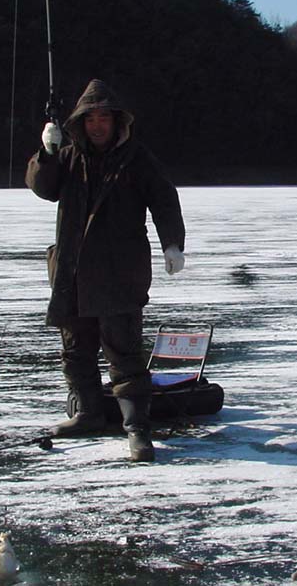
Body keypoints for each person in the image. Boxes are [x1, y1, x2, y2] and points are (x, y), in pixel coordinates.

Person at [26, 79, 186, 462]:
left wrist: (172, 244)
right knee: (75, 351)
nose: (97, 125)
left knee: (124, 353)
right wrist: (47, 152)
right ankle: (88, 414)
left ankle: (138, 429)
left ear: (117, 122)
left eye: (103, 118)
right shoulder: (68, 157)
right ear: (80, 123)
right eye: (90, 119)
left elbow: (164, 200)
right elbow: (42, 187)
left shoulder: (136, 158)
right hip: (73, 273)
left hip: (119, 273)